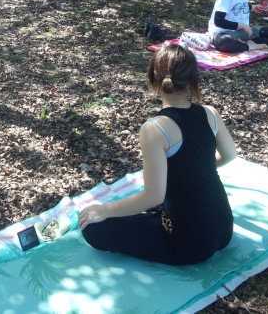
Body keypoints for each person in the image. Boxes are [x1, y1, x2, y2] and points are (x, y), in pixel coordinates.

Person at [79, 44, 237, 265]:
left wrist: (104, 210)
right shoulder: (210, 113)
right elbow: (230, 155)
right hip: (223, 230)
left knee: (93, 228)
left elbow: (154, 197)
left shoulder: (155, 128)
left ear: (153, 79)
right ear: (192, 79)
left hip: (188, 244)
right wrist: (195, 171)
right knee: (146, 210)